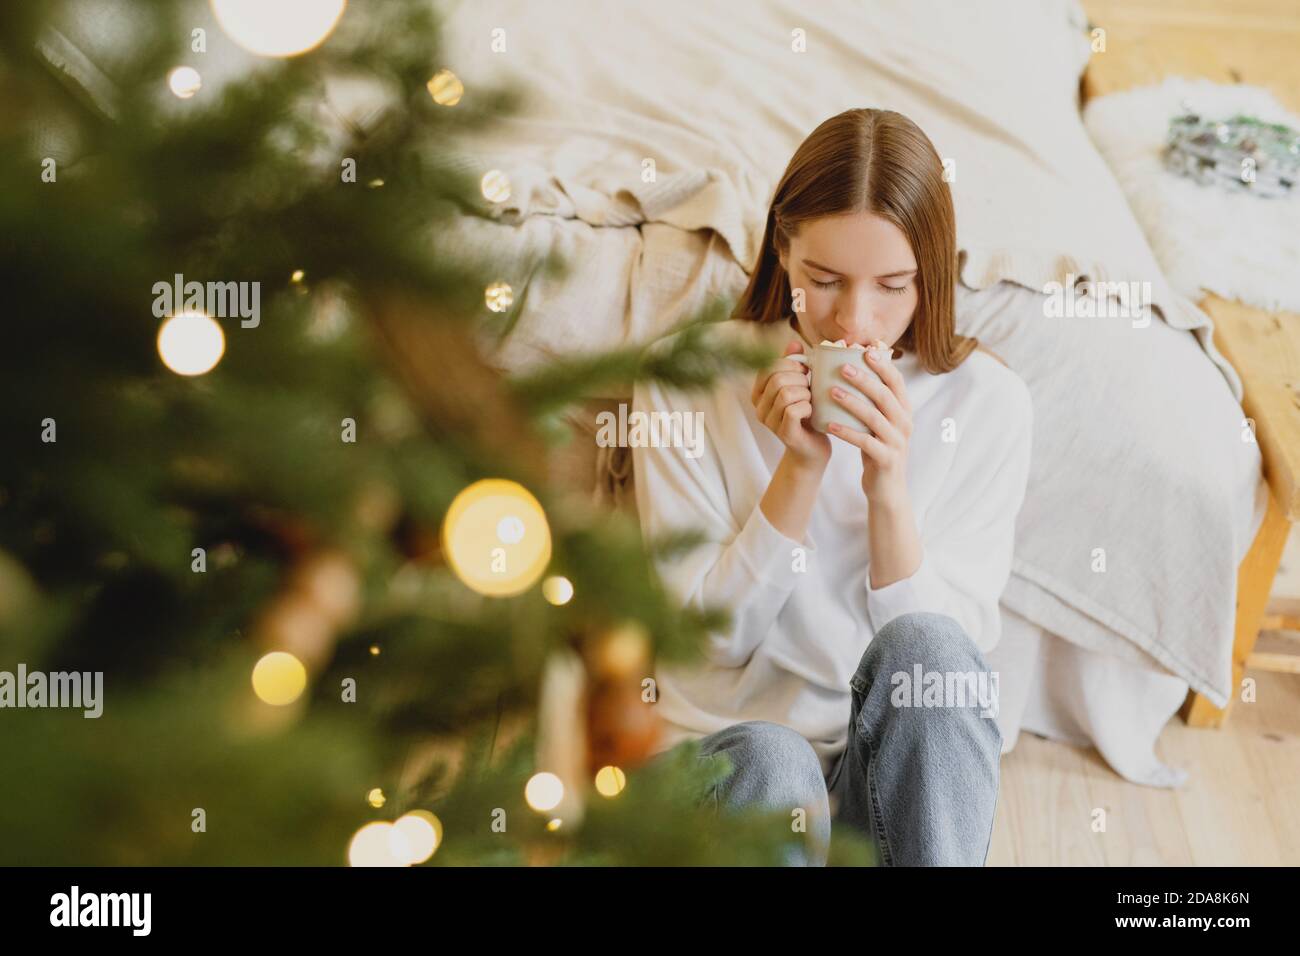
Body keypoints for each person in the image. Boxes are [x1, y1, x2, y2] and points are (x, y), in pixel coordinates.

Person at [631, 108, 1034, 866]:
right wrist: (799, 470)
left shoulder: (987, 404)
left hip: (877, 792)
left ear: (932, 276)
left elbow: (950, 683)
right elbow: (703, 644)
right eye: (824, 281)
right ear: (783, 253)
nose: (855, 320)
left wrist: (887, 489)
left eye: (892, 286)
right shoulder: (684, 382)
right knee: (774, 763)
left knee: (934, 650)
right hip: (733, 771)